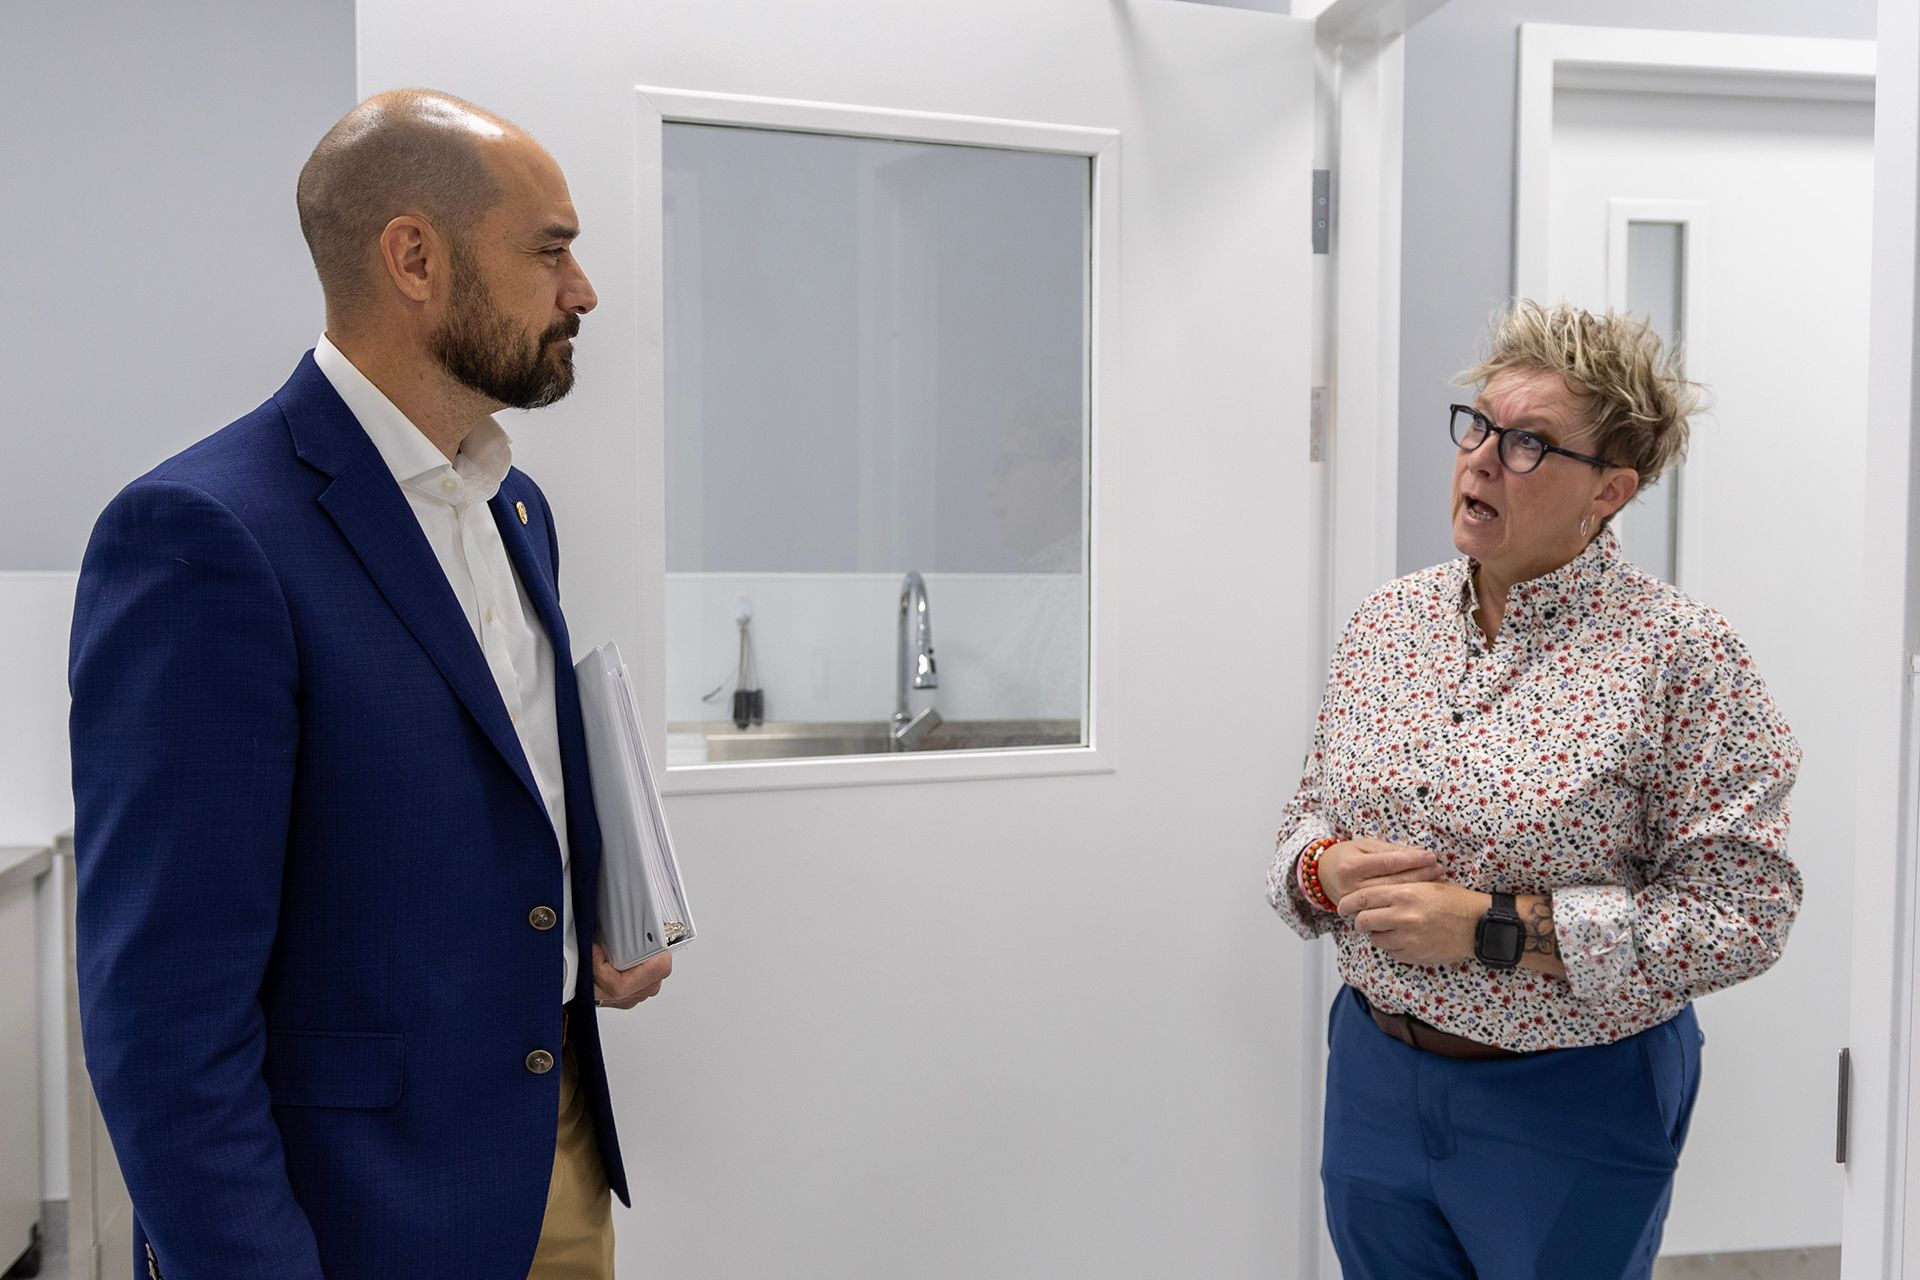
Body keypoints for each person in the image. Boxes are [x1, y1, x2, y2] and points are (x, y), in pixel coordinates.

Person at [69, 90, 670, 1279]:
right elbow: (163, 1018)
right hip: (353, 1210)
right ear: (414, 257)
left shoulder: (515, 505)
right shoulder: (204, 534)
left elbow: (480, 776)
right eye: (551, 249)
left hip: (552, 1150)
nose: (583, 289)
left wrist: (587, 904)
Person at [1267, 301, 1802, 1279]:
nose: (1480, 458)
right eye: (1479, 425)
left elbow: (1745, 917)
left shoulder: (1682, 658)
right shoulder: (1387, 622)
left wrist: (1488, 927)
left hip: (1568, 1096)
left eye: (1528, 445)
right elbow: (1302, 826)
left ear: (1610, 488)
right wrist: (1321, 867)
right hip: (1376, 1077)